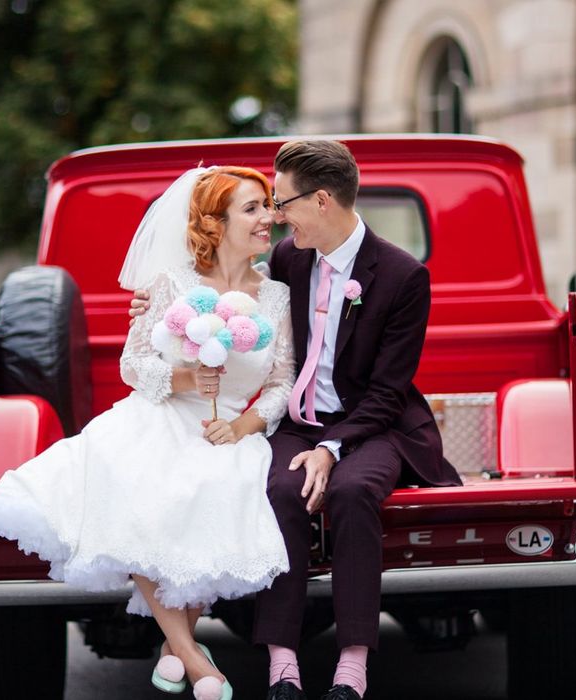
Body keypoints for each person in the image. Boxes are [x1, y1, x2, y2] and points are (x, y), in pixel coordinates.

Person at [131, 141, 462, 700]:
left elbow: (387, 391)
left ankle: (352, 665)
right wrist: (154, 304)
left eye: (282, 203)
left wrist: (331, 449)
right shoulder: (288, 260)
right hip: (297, 425)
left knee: (353, 493)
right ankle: (283, 663)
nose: (277, 217)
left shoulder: (405, 276)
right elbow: (218, 278)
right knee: (280, 490)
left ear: (323, 200)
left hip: (372, 426)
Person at [0, 166, 296, 700]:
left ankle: (174, 647)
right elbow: (133, 364)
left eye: (268, 206)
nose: (268, 218)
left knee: (215, 491)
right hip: (157, 414)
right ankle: (192, 655)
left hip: (227, 427)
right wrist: (186, 376)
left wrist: (243, 425)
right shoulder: (172, 285)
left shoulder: (275, 296)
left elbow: (282, 381)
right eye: (253, 208)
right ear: (216, 223)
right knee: (141, 489)